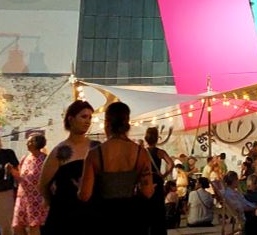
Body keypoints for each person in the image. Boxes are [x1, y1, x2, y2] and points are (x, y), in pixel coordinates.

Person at [78, 101, 154, 234]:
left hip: (104, 218)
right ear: (127, 123)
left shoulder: (94, 154)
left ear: (107, 123)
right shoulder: (140, 152)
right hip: (132, 219)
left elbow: (84, 195)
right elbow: (148, 192)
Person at [39, 100, 96, 234]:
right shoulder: (60, 151)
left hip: (92, 211)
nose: (87, 121)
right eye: (83, 116)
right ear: (71, 119)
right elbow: (43, 184)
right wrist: (53, 203)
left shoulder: (96, 147)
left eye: (90, 117)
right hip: (66, 214)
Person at [8, 132, 48, 235]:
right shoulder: (25, 158)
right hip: (22, 198)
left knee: (34, 226)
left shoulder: (45, 159)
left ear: (37, 143)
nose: (27, 143)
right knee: (17, 226)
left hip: (37, 199)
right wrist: (12, 170)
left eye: (30, 141)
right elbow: (20, 177)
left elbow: (49, 178)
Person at [145, 126, 175, 235]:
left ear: (146, 139)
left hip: (147, 181)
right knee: (159, 208)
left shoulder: (143, 152)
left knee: (148, 209)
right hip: (158, 180)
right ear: (157, 138)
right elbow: (171, 164)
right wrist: (164, 175)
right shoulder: (160, 152)